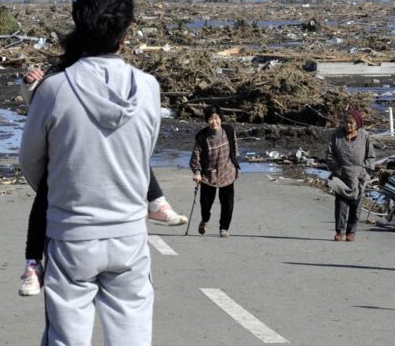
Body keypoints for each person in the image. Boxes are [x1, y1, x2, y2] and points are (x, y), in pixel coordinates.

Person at [19, 0, 157, 345]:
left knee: (66, 337)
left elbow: (31, 161)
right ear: (124, 35)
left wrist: (64, 188)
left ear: (80, 29)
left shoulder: (54, 89)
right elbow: (145, 152)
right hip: (128, 230)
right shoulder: (148, 88)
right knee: (132, 334)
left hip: (71, 231)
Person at [16, 68, 186, 298]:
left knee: (132, 149)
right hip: (68, 159)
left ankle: (156, 201)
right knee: (43, 197)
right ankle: (33, 264)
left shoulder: (129, 79)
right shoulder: (58, 79)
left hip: (106, 159)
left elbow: (144, 135)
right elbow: (35, 124)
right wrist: (30, 85)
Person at [189, 105, 240, 238]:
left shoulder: (229, 131)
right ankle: (205, 220)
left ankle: (224, 228)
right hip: (208, 175)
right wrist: (197, 172)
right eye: (211, 119)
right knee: (205, 204)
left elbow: (234, 147)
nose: (214, 122)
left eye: (216, 118)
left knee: (228, 203)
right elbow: (196, 156)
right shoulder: (201, 137)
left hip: (227, 172)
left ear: (221, 119)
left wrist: (234, 164)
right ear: (207, 121)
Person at [325, 110, 375, 242]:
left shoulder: (365, 136)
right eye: (346, 123)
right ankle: (340, 231)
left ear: (357, 123)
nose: (348, 125)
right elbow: (330, 155)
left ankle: (351, 232)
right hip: (341, 175)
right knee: (341, 206)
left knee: (356, 206)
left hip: (359, 176)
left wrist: (364, 171)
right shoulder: (337, 135)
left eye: (351, 123)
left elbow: (371, 157)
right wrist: (337, 168)